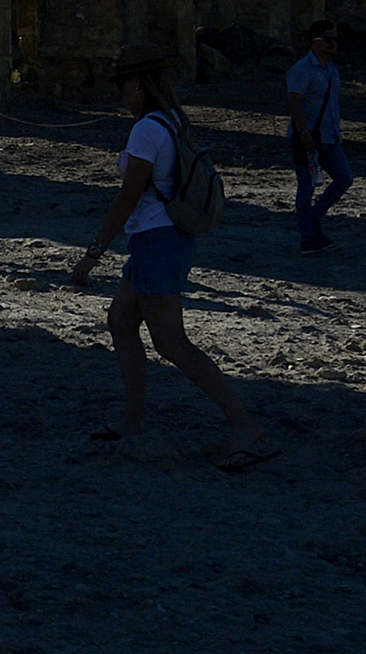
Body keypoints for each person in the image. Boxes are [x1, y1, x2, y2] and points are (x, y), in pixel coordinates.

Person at [68, 42, 268, 468]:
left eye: (124, 85)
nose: (122, 94)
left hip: (156, 241)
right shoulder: (174, 120)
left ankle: (244, 426)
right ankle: (131, 421)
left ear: (138, 83)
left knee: (172, 343)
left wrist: (94, 252)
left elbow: (128, 195)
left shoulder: (146, 129)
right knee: (121, 321)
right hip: (161, 238)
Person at [286, 17, 351, 253]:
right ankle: (307, 237)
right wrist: (303, 131)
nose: (332, 44)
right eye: (327, 39)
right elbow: (294, 102)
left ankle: (314, 218)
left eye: (334, 39)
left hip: (329, 137)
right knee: (306, 187)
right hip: (308, 138)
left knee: (345, 178)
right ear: (315, 42)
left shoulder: (331, 69)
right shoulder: (302, 69)